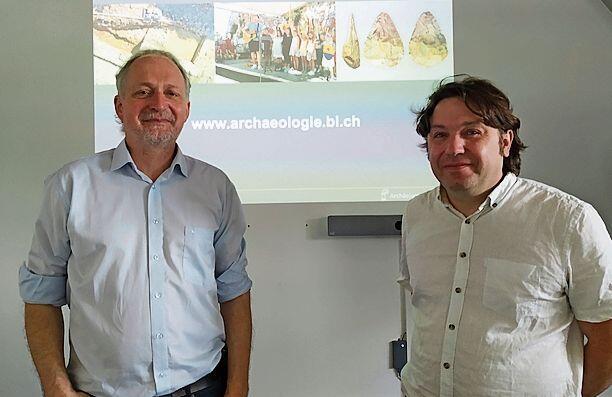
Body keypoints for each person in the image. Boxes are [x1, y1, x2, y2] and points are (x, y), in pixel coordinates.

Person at [19, 50, 253, 397]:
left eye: (171, 93)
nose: (159, 103)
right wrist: (56, 387)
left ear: (186, 109)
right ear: (119, 106)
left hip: (202, 387)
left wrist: (237, 386)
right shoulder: (71, 186)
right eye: (143, 92)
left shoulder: (215, 188)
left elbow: (234, 291)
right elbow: (40, 294)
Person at [398, 76, 611, 397]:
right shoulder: (417, 215)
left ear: (505, 141)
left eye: (472, 132)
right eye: (440, 135)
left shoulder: (568, 219)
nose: (454, 148)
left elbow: (607, 334)